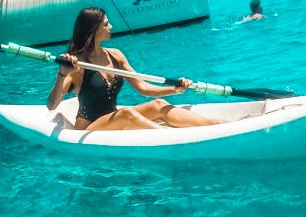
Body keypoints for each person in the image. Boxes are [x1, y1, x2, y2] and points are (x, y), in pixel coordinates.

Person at [47, 7, 223, 130]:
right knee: (126, 114)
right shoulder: (77, 65)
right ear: (93, 30)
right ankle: (172, 138)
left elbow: (143, 88)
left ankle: (215, 125)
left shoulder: (115, 55)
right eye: (106, 24)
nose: (111, 27)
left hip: (114, 117)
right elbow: (51, 105)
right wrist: (62, 74)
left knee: (158, 105)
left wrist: (175, 89)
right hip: (88, 127)